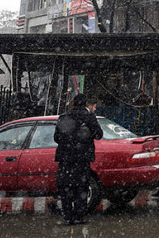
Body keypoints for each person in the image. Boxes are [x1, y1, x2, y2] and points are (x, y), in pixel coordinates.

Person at [54, 93, 104, 225]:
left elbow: (56, 138)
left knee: (66, 187)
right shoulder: (89, 117)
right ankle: (78, 216)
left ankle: (67, 216)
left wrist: (68, 141)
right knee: (81, 187)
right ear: (85, 104)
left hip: (65, 158)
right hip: (82, 158)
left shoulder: (64, 117)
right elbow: (99, 135)